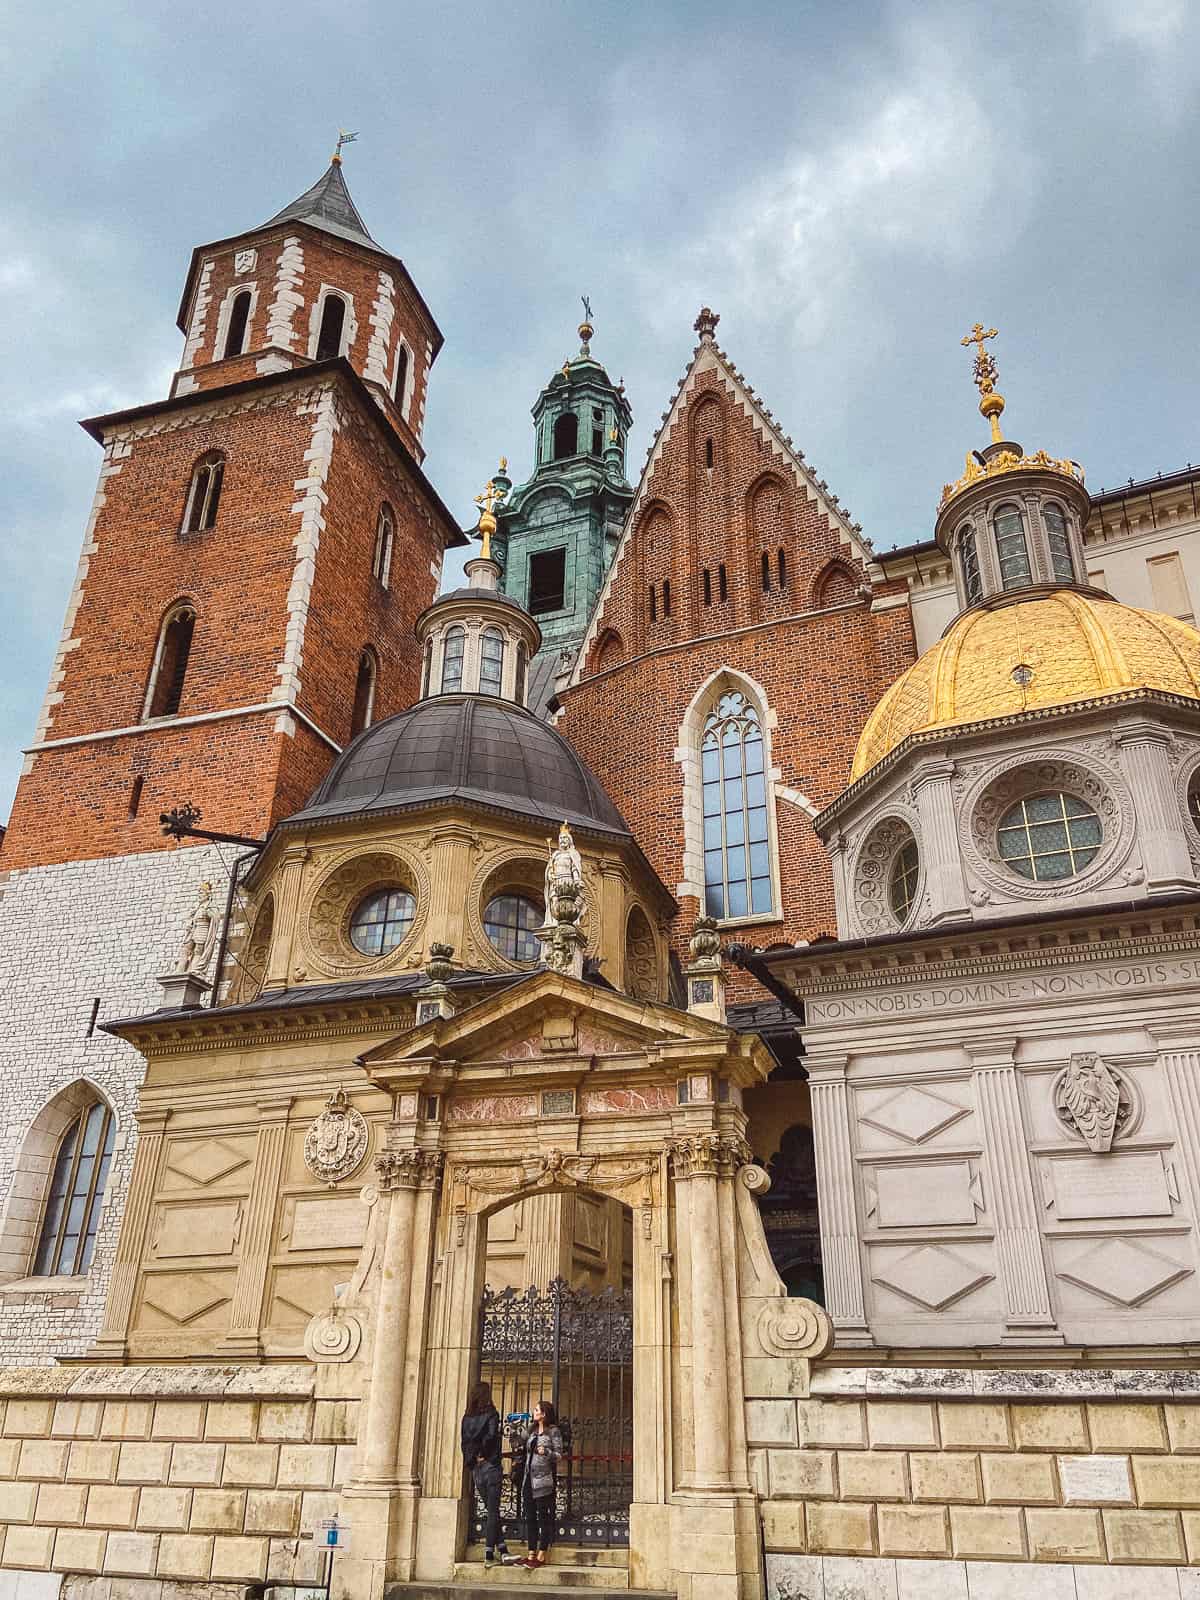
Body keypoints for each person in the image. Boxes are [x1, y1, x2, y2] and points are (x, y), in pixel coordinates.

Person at [460, 1382, 513, 1567]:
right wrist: (483, 1454)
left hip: (476, 1469)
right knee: (493, 1511)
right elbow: (490, 1436)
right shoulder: (491, 1414)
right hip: (490, 1465)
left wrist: (472, 1459)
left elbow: (464, 1443)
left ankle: (503, 1550)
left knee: (491, 1510)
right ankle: (489, 1555)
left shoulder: (467, 1418)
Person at [520, 1399, 563, 1568]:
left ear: (544, 1414)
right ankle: (531, 1552)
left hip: (543, 1481)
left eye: (537, 1410)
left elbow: (559, 1455)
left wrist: (546, 1452)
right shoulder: (531, 1430)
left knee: (543, 1517)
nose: (534, 1412)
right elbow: (518, 1443)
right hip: (528, 1480)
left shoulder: (553, 1431)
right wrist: (515, 1430)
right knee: (530, 1517)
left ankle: (542, 1553)